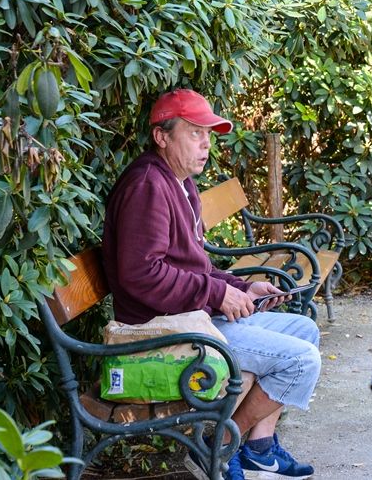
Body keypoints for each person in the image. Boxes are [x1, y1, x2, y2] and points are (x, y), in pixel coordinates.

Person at [102, 89, 320, 480]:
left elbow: (194, 266)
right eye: (194, 133)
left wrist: (240, 287)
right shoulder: (148, 185)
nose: (206, 144)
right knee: (301, 360)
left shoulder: (180, 183)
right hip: (163, 331)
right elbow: (141, 274)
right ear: (162, 136)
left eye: (208, 134)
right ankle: (222, 445)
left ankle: (259, 447)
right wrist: (218, 294)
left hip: (192, 318)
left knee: (304, 329)